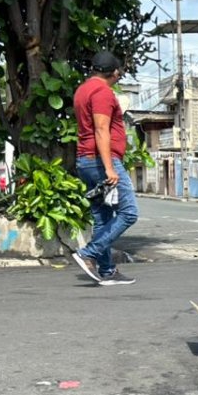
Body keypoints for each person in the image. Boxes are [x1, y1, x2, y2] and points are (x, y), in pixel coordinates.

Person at [72, 51, 138, 286]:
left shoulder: (83, 90)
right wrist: (110, 168)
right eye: (119, 72)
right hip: (102, 161)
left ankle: (107, 270)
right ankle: (88, 253)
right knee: (129, 212)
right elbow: (101, 130)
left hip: (86, 160)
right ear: (115, 72)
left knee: (102, 218)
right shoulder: (101, 92)